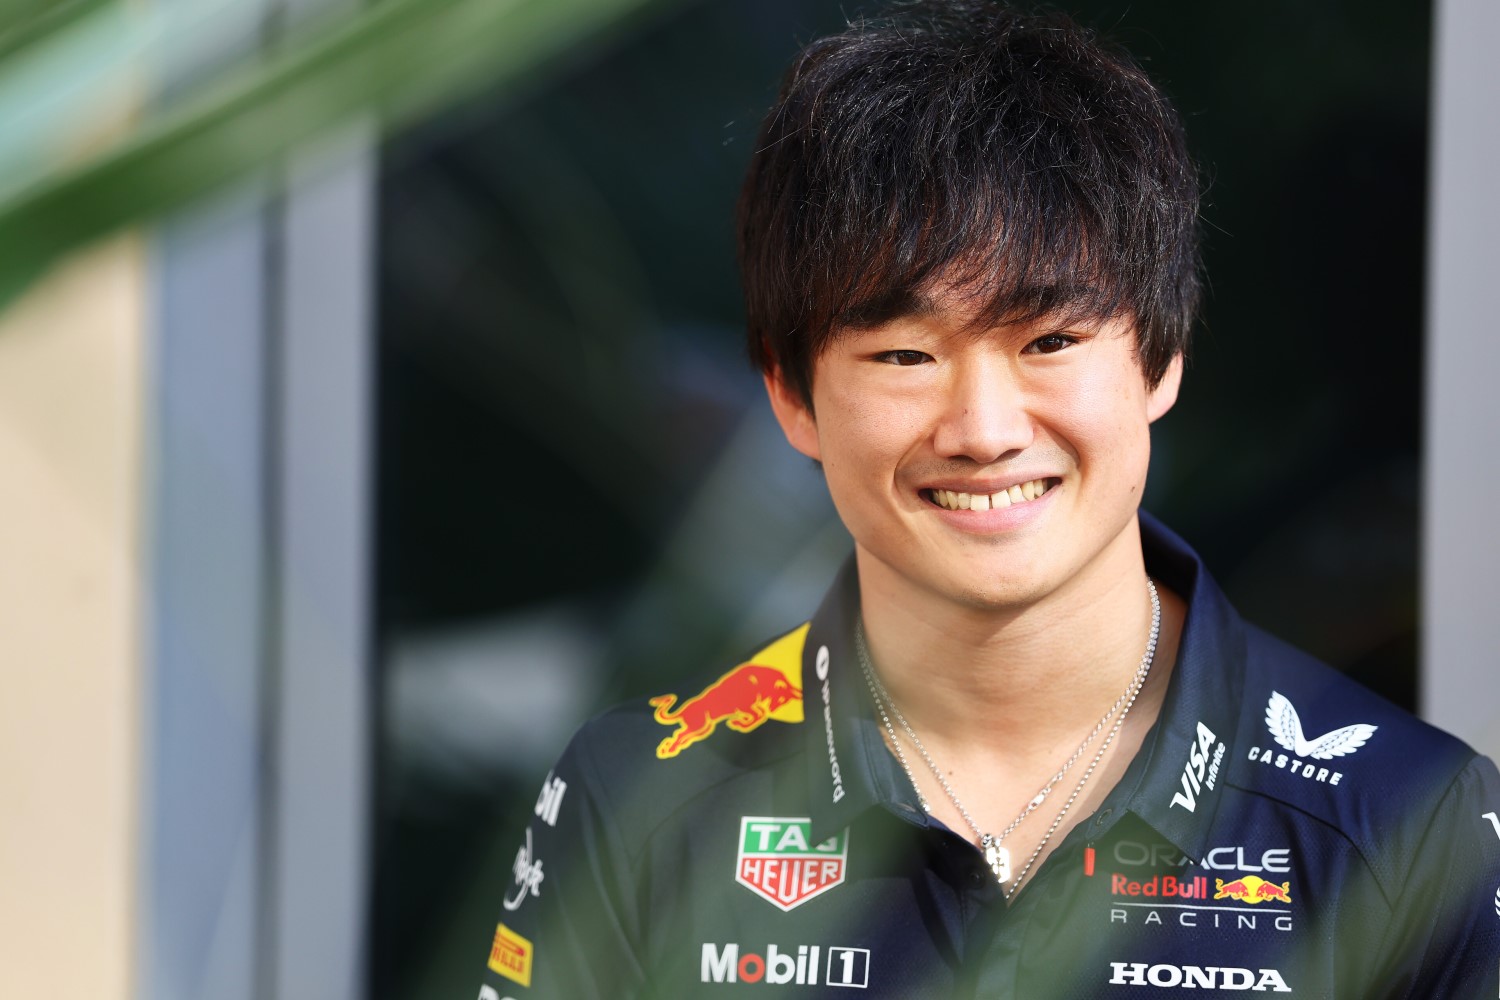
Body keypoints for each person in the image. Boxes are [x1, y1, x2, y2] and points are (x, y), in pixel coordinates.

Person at [475, 3, 1500, 996]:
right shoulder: (646, 799)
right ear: (792, 395)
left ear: (1161, 360)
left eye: (1049, 341)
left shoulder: (1408, 820)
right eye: (906, 353)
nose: (982, 427)